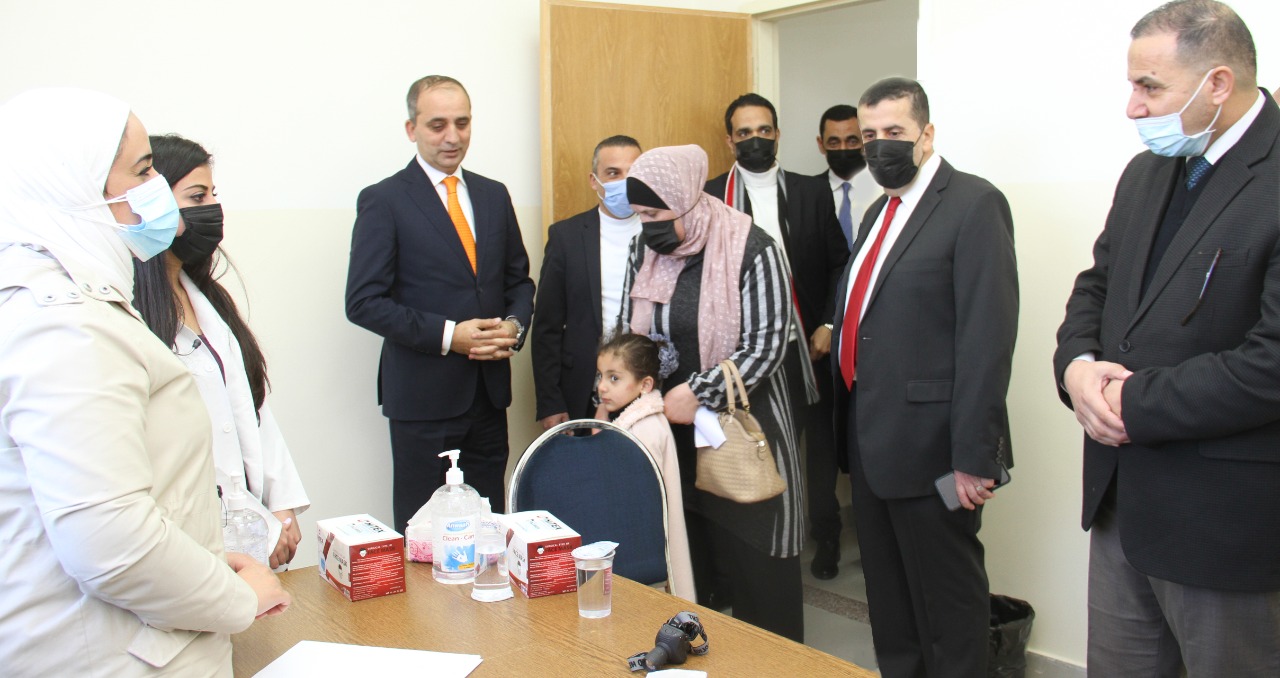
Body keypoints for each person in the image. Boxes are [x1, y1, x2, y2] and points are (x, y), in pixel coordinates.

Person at [0, 87, 289, 675]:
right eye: (143, 170)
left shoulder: (73, 304)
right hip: (112, 653)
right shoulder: (65, 326)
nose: (157, 187)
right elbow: (109, 542)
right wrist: (236, 598)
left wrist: (206, 564)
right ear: (75, 188)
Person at [1053, 1, 1280, 673]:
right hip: (1121, 505)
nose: (1133, 107)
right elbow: (1096, 287)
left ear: (1217, 83)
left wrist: (1129, 403)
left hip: (1225, 523)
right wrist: (1077, 367)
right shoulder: (1146, 173)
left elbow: (1271, 362)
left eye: (1149, 87)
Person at [831, 77, 1018, 677]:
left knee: (947, 605)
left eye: (894, 131)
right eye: (869, 135)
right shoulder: (878, 211)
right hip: (872, 438)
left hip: (936, 449)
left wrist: (974, 456)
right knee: (890, 602)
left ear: (927, 134)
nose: (879, 145)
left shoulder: (973, 203)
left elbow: (987, 339)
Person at [620, 144, 805, 641]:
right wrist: (617, 385)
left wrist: (700, 391)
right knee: (691, 559)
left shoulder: (751, 247)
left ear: (685, 199)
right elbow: (628, 330)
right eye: (639, 215)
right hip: (670, 430)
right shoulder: (643, 249)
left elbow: (767, 344)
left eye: (655, 214)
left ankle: (773, 664)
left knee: (755, 561)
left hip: (740, 428)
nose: (647, 226)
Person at [346, 75, 535, 534]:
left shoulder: (493, 194)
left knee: (489, 528)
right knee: (423, 535)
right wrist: (451, 336)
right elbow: (363, 301)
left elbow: (519, 281)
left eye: (462, 123)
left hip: (489, 396)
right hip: (422, 401)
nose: (452, 136)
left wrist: (513, 327)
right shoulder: (384, 200)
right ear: (411, 129)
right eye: (437, 125)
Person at [132, 134, 310, 569]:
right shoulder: (133, 316)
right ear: (152, 204)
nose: (213, 208)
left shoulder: (210, 300)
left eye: (213, 194)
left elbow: (252, 406)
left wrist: (281, 508)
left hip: (253, 528)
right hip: (189, 540)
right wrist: (257, 523)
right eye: (197, 197)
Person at [706, 93, 848, 581]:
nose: (755, 140)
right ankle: (752, 553)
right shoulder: (711, 196)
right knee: (746, 447)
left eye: (764, 130)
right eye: (744, 133)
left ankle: (826, 536)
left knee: (818, 451)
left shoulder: (811, 192)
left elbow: (840, 264)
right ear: (730, 140)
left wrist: (828, 323)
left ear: (778, 134)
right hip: (740, 354)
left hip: (805, 348)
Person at [532, 135, 642, 429]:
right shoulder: (566, 237)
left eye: (632, 173)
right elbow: (546, 327)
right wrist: (550, 401)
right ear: (594, 180)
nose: (624, 182)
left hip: (648, 389)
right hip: (583, 389)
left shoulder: (663, 233)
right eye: (613, 173)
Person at [595, 332, 695, 601]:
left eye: (614, 378)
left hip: (645, 549)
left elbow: (637, 503)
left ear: (645, 384)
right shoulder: (633, 421)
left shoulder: (642, 429)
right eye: (600, 376)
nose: (602, 387)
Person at [815, 104, 881, 252]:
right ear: (821, 144)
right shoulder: (808, 194)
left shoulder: (885, 190)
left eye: (852, 141)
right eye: (834, 143)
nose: (843, 149)